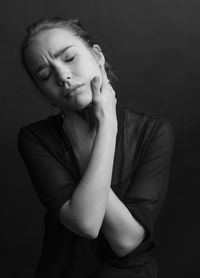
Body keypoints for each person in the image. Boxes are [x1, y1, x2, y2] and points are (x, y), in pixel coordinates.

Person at [17, 17, 174, 278]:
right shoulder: (35, 138)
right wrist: (107, 131)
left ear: (97, 56)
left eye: (69, 58)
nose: (63, 76)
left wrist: (105, 127)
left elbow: (126, 241)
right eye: (44, 76)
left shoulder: (154, 132)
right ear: (43, 93)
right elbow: (86, 223)